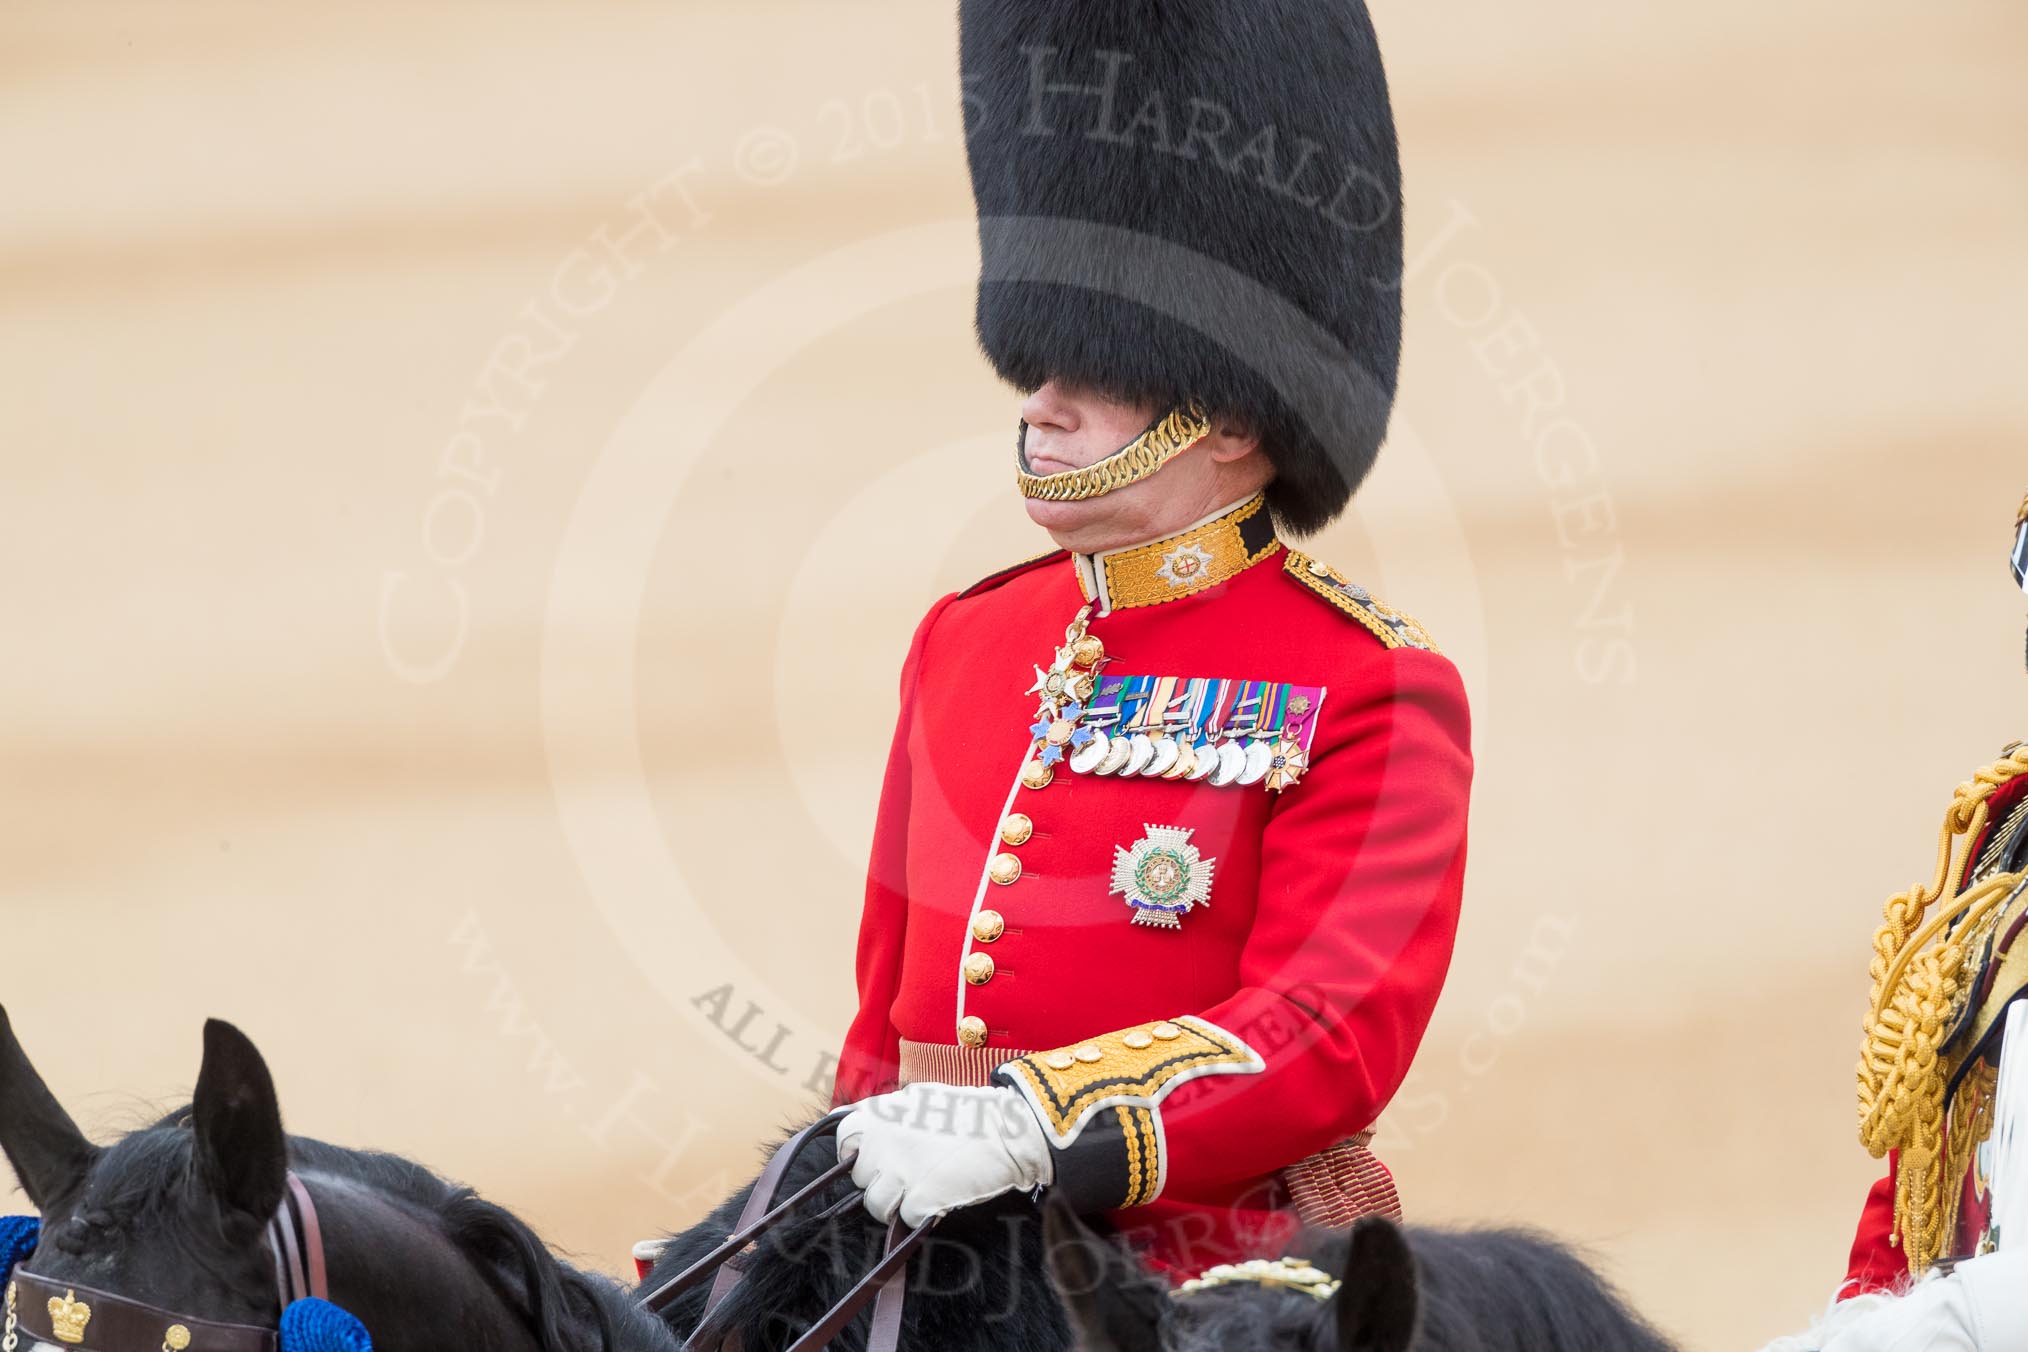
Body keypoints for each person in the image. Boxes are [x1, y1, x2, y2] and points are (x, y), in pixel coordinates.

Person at [827, 1, 1474, 1279]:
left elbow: (1323, 1033)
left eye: (1098, 367)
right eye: (1043, 358)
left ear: (1229, 417)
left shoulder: (1369, 685)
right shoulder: (966, 638)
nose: (1043, 401)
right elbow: (881, 1027)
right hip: (934, 1257)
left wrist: (1040, 1127)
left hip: (1199, 1272)